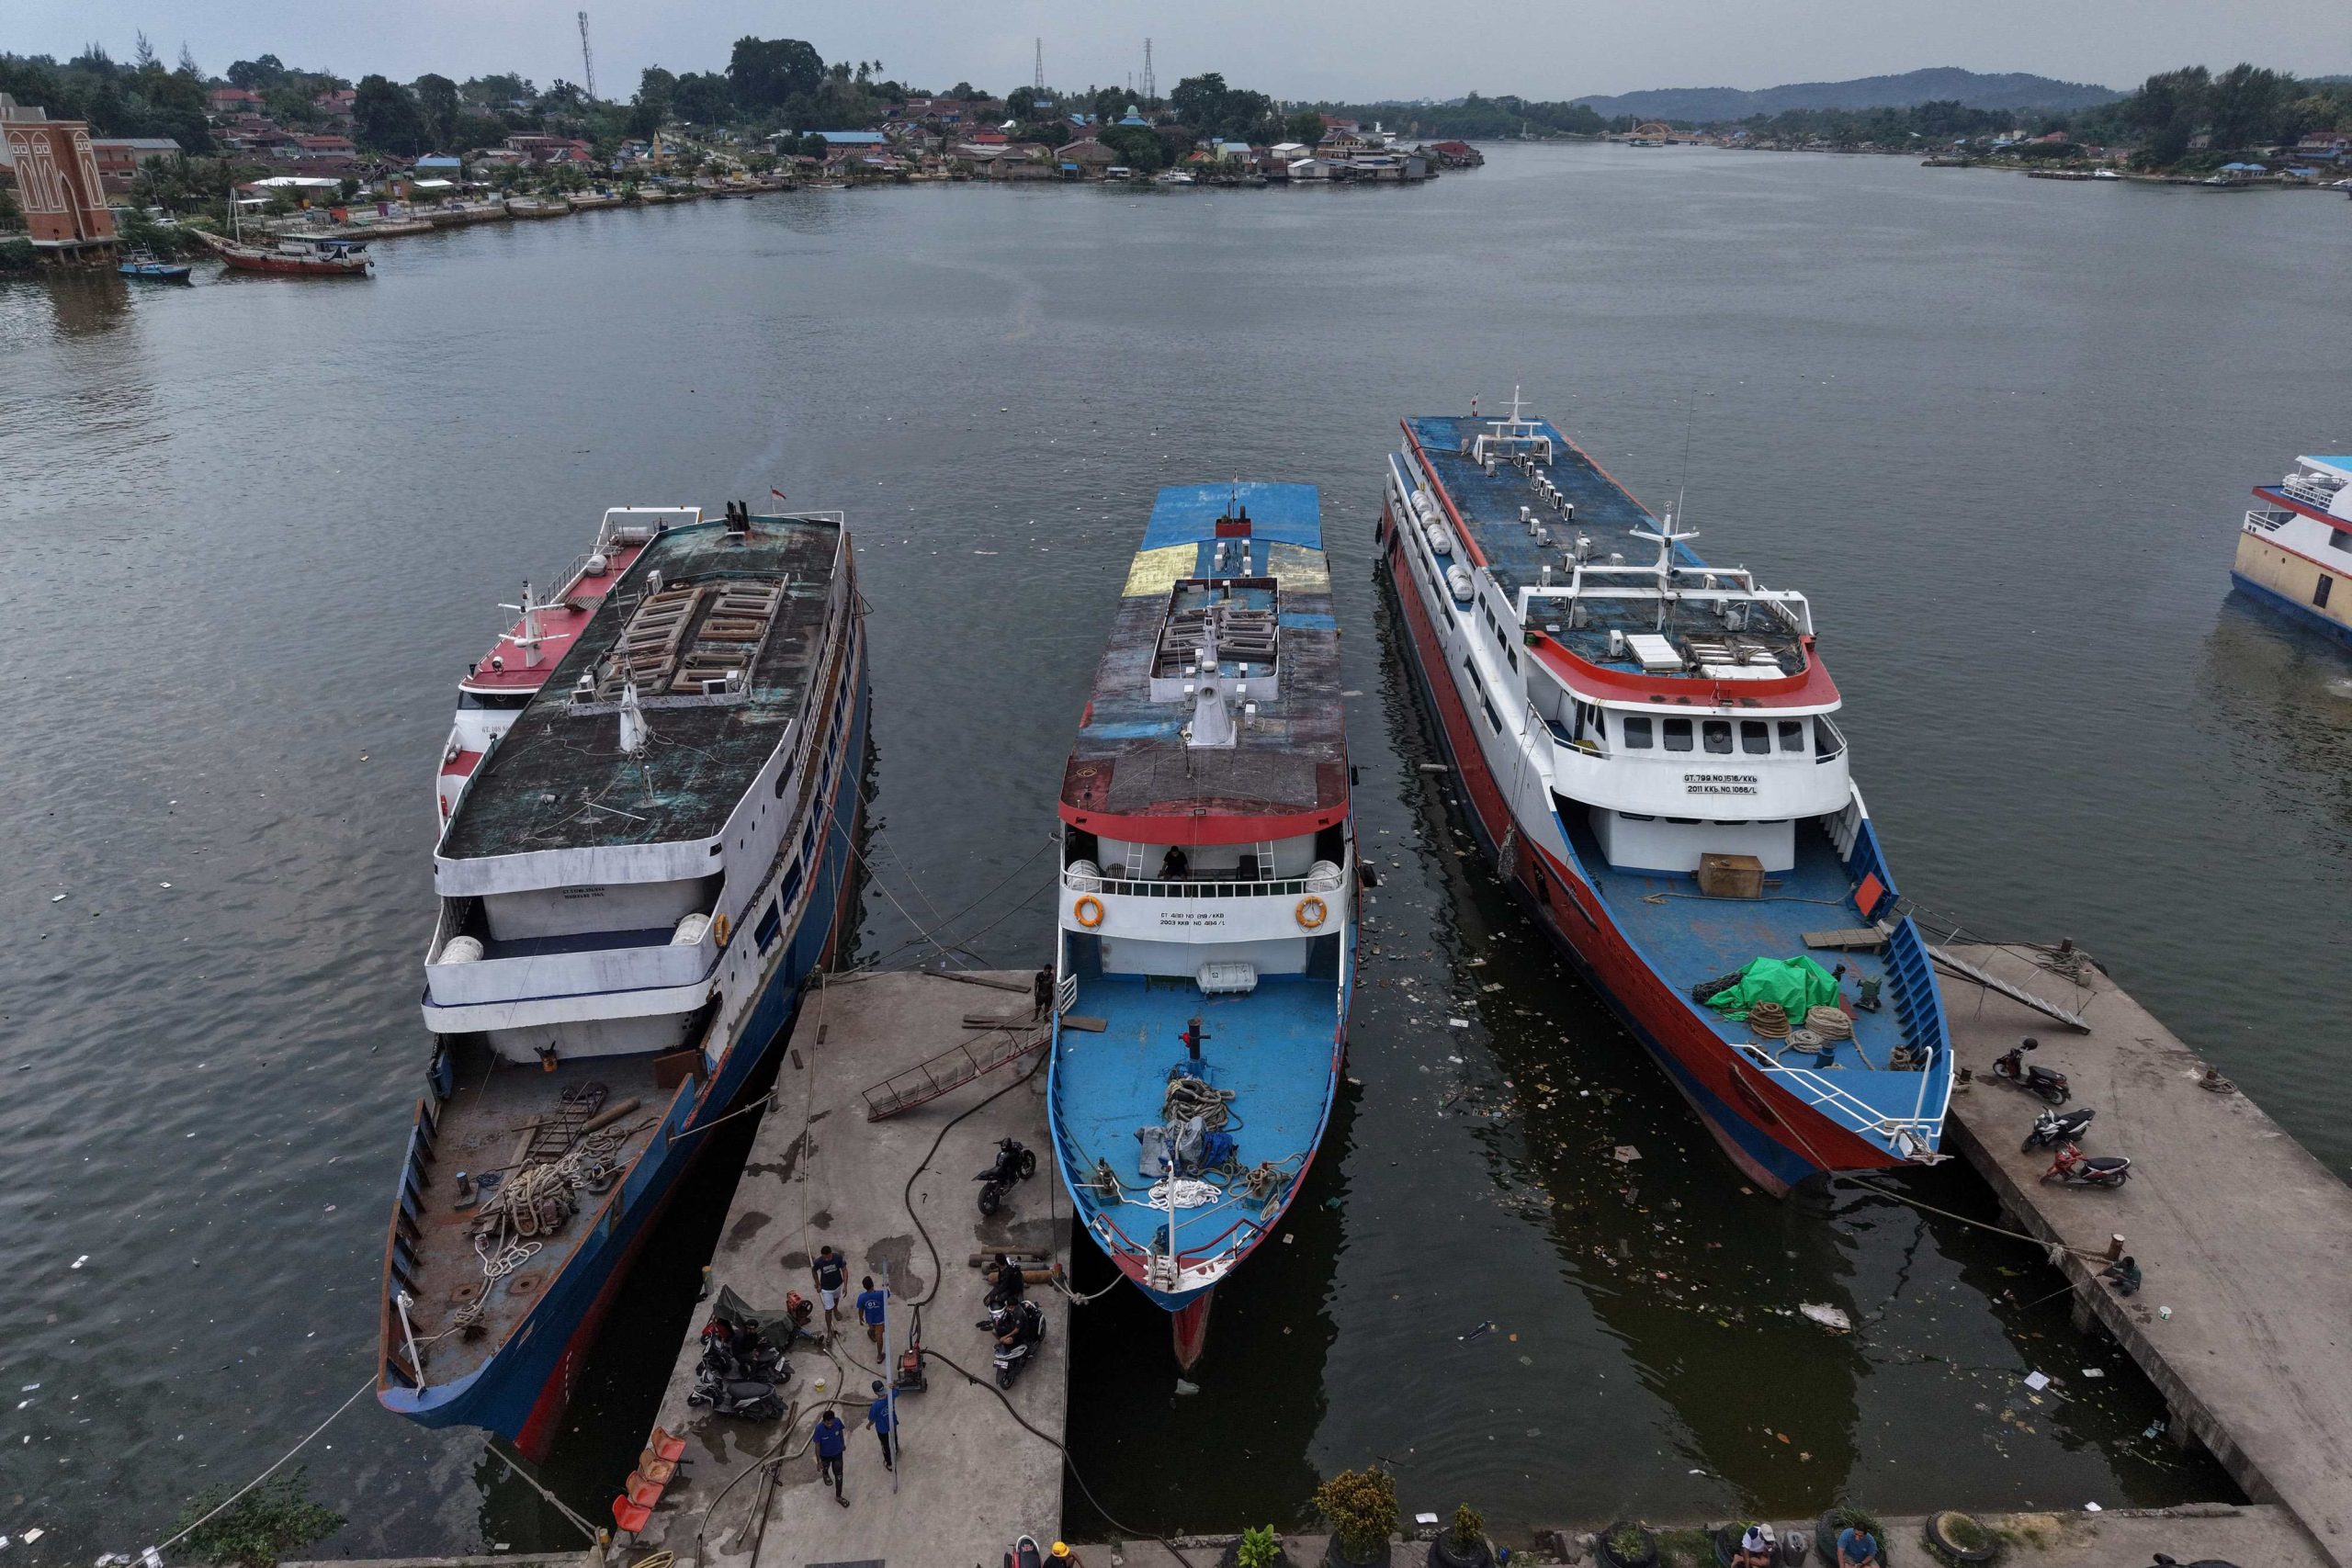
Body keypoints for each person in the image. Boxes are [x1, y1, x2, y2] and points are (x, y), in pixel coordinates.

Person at [812, 1246, 848, 1342]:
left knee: (836, 1299)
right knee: (828, 1310)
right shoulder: (818, 1262)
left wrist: (845, 1285)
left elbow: (844, 1270)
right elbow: (814, 1271)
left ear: (831, 1253)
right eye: (824, 1257)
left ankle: (836, 1310)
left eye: (828, 1257)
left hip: (837, 1285)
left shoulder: (838, 1258)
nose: (826, 1259)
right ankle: (829, 1331)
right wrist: (818, 1284)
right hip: (826, 1289)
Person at [812, 1409, 848, 1506]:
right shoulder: (819, 1429)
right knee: (825, 1467)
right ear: (824, 1421)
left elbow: (840, 1432)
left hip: (837, 1454)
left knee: (839, 1475)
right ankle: (825, 1474)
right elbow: (817, 1446)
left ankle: (838, 1496)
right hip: (825, 1456)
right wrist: (818, 1461)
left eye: (831, 1422)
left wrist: (842, 1443)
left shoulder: (837, 1421)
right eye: (828, 1423)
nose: (830, 1425)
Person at [865, 1380, 896, 1472]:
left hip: (882, 1429)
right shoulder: (891, 1395)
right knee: (894, 1437)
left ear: (875, 1392)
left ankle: (889, 1463)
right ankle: (896, 1449)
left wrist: (868, 1425)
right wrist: (894, 1387)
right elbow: (897, 1392)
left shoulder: (875, 1406)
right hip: (892, 1422)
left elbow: (872, 1419)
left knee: (885, 1445)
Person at [856, 1275, 889, 1359]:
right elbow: (888, 1294)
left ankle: (871, 1332)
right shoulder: (881, 1294)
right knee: (879, 1337)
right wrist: (886, 1286)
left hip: (870, 1320)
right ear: (872, 1284)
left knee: (872, 1328)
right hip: (880, 1320)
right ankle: (879, 1355)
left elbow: (860, 1309)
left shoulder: (861, 1297)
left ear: (864, 1287)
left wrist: (860, 1318)